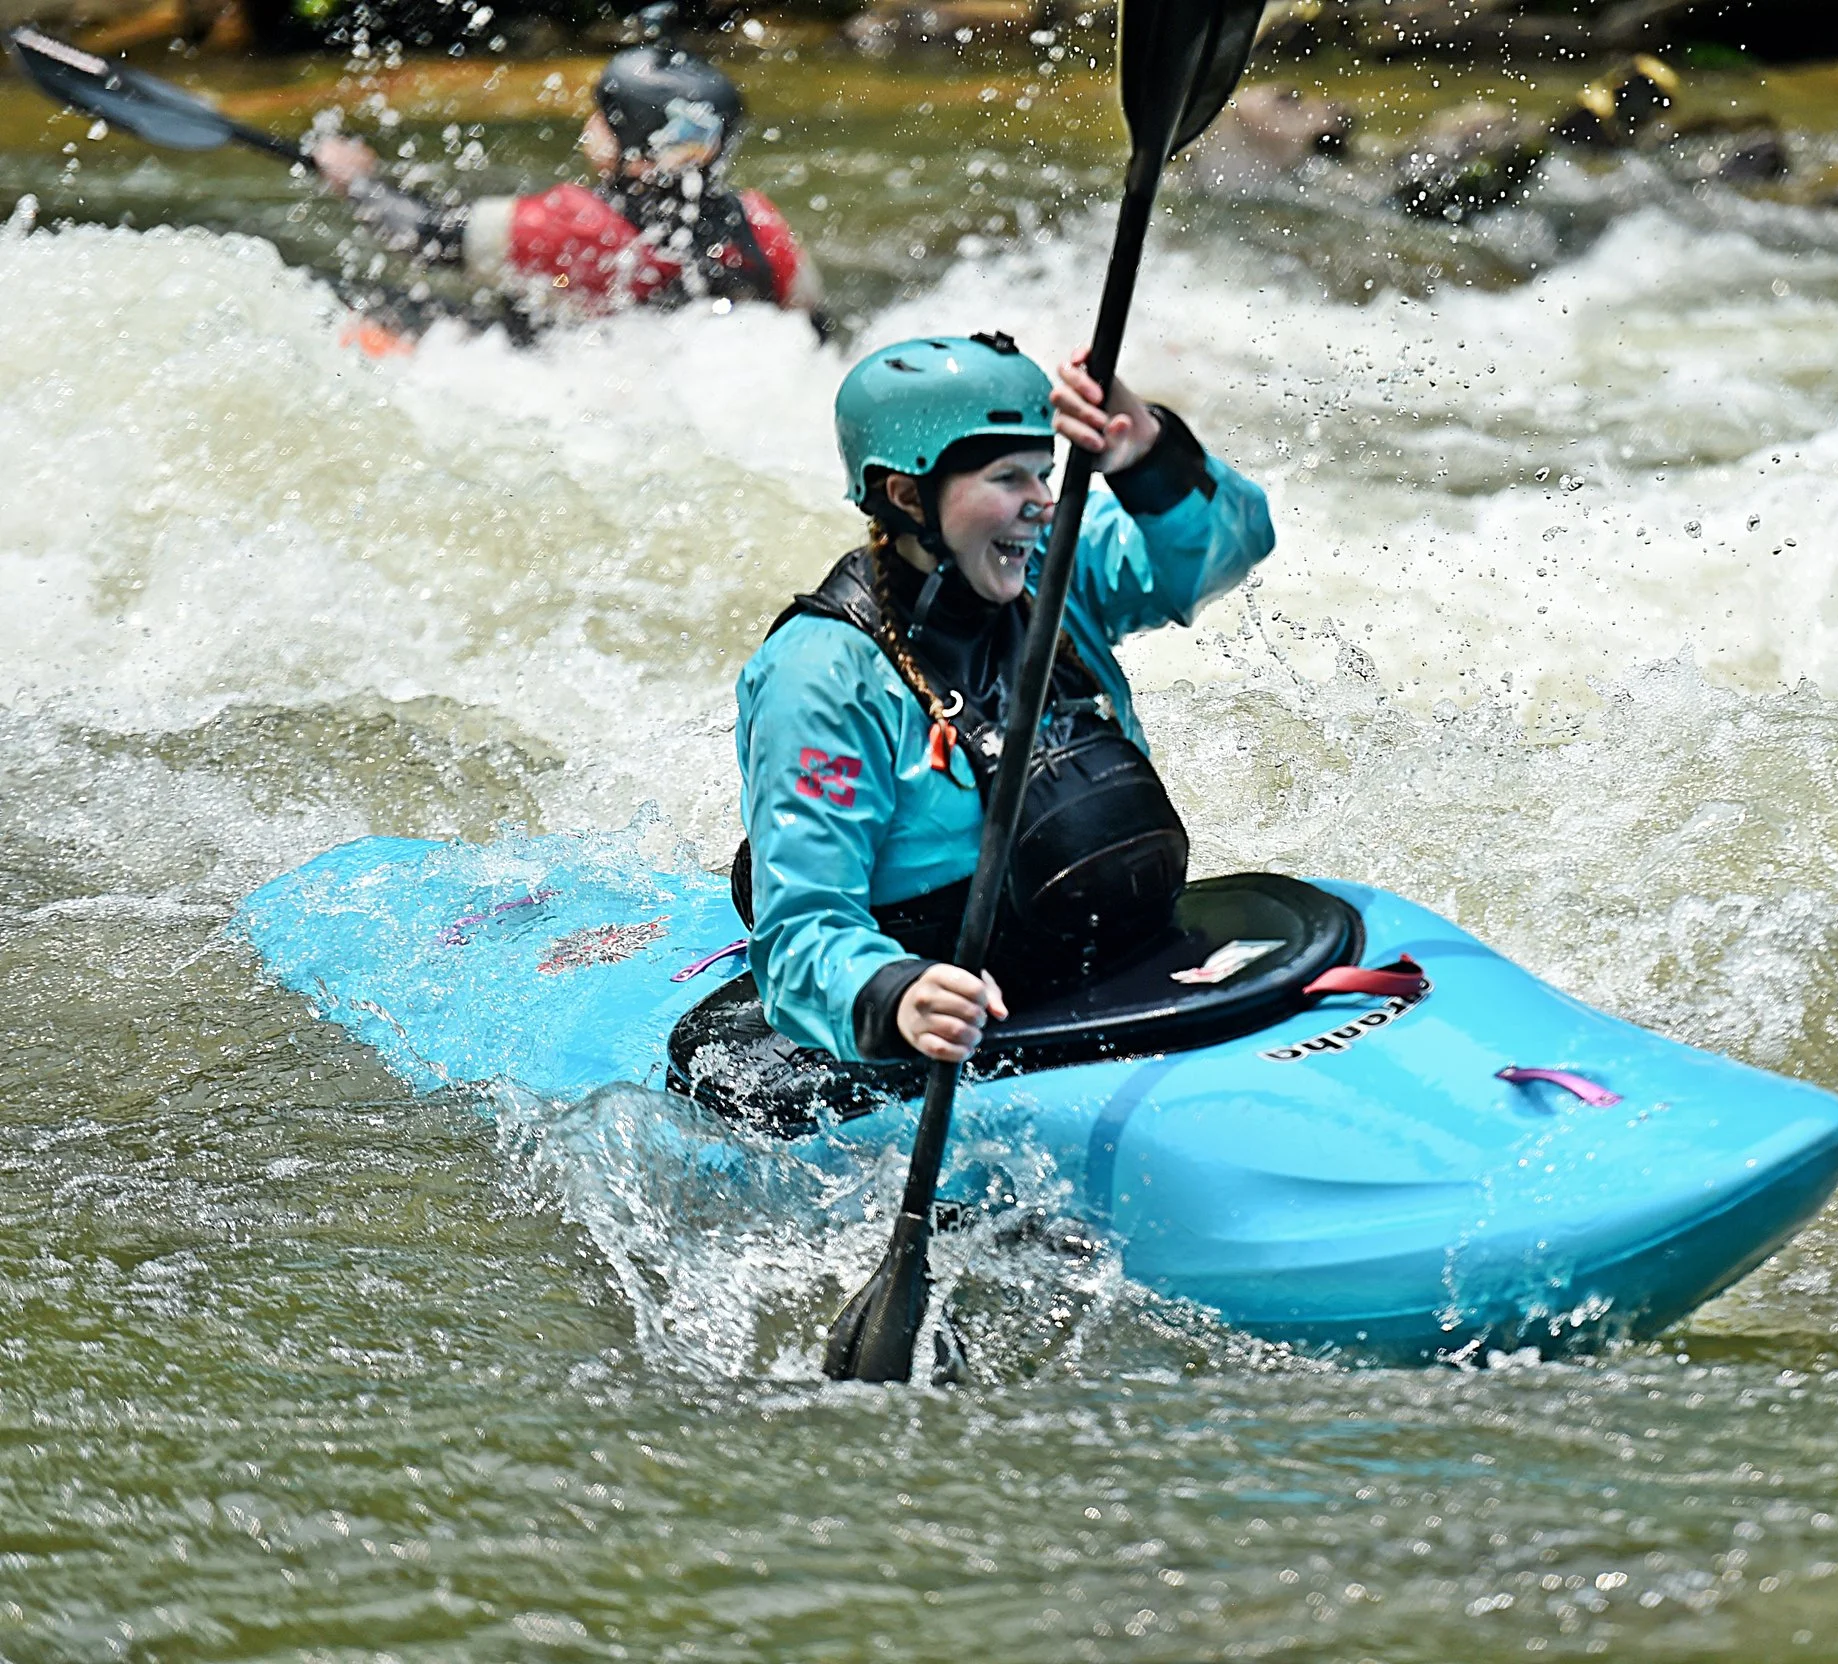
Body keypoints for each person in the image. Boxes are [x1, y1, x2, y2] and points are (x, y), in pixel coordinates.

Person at [733, 330, 1276, 1065]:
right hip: (964, 1026)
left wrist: (1143, 447)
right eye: (1008, 479)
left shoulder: (1051, 579)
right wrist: (897, 995)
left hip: (1122, 964)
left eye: (1045, 474)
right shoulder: (823, 676)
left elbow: (1226, 548)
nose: (1042, 504)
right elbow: (801, 932)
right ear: (905, 494)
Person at [309, 34, 824, 329]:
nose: (589, 126)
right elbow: (809, 324)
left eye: (606, 117)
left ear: (645, 157)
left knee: (373, 306)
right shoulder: (760, 222)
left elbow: (425, 236)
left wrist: (358, 182)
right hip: (667, 367)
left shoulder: (573, 223)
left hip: (575, 371)